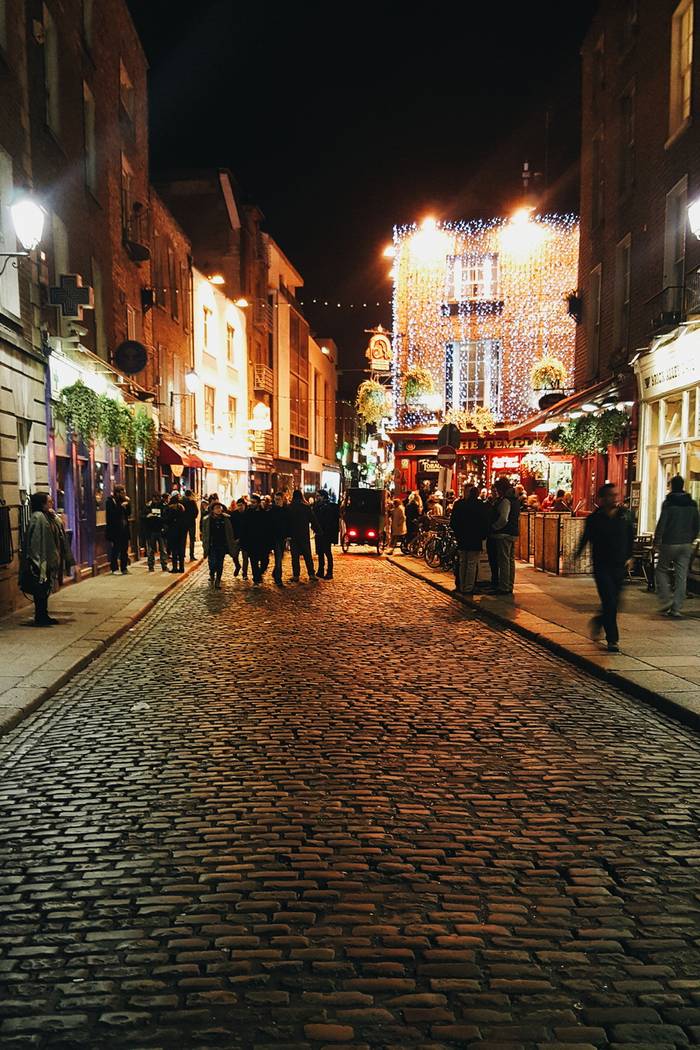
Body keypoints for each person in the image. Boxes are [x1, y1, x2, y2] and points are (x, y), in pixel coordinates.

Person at [577, 482, 634, 653]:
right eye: (610, 495)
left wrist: (630, 556)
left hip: (619, 565)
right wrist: (576, 554)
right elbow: (586, 537)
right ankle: (612, 639)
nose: (614, 498)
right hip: (602, 565)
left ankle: (598, 621)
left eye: (616, 495)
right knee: (609, 601)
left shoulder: (625, 515)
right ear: (602, 498)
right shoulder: (594, 518)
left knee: (616, 602)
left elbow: (630, 536)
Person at [22, 492, 74, 626]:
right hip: (41, 560)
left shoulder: (48, 516)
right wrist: (37, 562)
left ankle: (43, 615)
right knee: (40, 589)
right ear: (42, 504)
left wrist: (55, 517)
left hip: (48, 558)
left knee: (45, 589)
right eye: (49, 502)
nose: (52, 504)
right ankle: (40, 617)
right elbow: (35, 541)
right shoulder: (38, 517)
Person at [654, 474, 700, 618]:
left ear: (672, 486)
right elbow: (697, 524)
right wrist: (692, 538)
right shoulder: (692, 504)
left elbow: (663, 523)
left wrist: (657, 540)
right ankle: (676, 608)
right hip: (686, 543)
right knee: (681, 575)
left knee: (661, 570)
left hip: (669, 542)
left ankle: (666, 599)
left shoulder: (668, 503)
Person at [450, 484, 490, 595]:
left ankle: (462, 586)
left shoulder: (459, 504)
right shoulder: (480, 505)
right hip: (475, 538)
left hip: (462, 537)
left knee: (463, 562)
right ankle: (468, 587)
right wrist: (483, 536)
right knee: (471, 563)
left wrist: (458, 534)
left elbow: (453, 522)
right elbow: (484, 522)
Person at [490, 477, 520, 595]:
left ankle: (504, 586)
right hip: (513, 532)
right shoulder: (516, 499)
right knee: (510, 560)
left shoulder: (506, 501)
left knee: (504, 561)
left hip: (504, 534)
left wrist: (494, 527)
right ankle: (509, 585)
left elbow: (503, 519)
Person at [202, 500, 236, 588]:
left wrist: (231, 543)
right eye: (216, 508)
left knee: (220, 563)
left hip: (222, 545)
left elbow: (230, 532)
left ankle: (218, 581)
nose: (218, 510)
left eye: (220, 508)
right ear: (212, 510)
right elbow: (204, 532)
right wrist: (205, 542)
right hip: (212, 545)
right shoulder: (207, 519)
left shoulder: (226, 519)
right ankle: (212, 573)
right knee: (212, 563)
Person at [287, 489, 319, 582]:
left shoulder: (290, 507)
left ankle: (296, 575)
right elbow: (313, 519)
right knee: (307, 555)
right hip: (303, 534)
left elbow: (287, 523)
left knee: (295, 556)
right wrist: (318, 530)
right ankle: (311, 574)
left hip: (293, 535)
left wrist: (287, 534)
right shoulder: (306, 507)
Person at [243, 494, 273, 584]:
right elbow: (244, 528)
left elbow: (268, 528)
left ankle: (259, 574)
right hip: (251, 542)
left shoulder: (264, 513)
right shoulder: (247, 513)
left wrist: (269, 542)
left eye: (254, 502)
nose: (252, 504)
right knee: (254, 562)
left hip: (263, 542)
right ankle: (256, 579)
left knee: (265, 561)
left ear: (258, 503)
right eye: (251, 502)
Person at [105, 484, 131, 574]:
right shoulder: (110, 501)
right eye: (122, 492)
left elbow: (128, 513)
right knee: (115, 549)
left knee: (124, 549)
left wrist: (128, 504)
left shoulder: (123, 501)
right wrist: (121, 506)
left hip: (124, 529)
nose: (124, 494)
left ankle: (124, 568)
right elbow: (112, 515)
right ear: (117, 493)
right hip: (115, 530)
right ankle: (114, 568)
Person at [315, 489, 340, 578]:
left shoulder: (328, 507)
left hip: (326, 533)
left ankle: (329, 572)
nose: (316, 498)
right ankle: (320, 570)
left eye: (318, 496)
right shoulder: (317, 506)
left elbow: (328, 521)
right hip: (319, 533)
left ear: (323, 497)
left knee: (327, 552)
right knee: (320, 553)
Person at [141, 492, 168, 572]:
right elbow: (142, 516)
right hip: (151, 530)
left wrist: (161, 521)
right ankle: (151, 566)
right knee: (151, 549)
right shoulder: (148, 506)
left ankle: (164, 565)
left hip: (160, 530)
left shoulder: (163, 506)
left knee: (163, 549)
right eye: (155, 498)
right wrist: (147, 516)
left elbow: (166, 517)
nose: (156, 500)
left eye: (157, 498)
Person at [269, 491, 290, 586]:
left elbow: (288, 524)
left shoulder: (286, 510)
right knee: (278, 558)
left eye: (278, 499)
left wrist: (288, 535)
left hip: (282, 537)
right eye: (275, 499)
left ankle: (275, 573)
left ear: (283, 499)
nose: (277, 501)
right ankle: (278, 579)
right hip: (274, 537)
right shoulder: (272, 510)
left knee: (280, 557)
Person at [164, 493, 187, 573]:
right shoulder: (182, 508)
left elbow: (167, 520)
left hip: (173, 531)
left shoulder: (170, 509)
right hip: (182, 531)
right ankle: (181, 568)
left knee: (174, 550)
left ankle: (175, 568)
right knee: (181, 550)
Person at [229, 497, 250, 579]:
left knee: (245, 557)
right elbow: (231, 527)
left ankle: (244, 574)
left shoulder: (248, 514)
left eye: (241, 505)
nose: (240, 507)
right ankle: (237, 566)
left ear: (244, 505)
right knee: (234, 555)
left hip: (245, 539)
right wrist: (234, 538)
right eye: (238, 505)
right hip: (236, 539)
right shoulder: (234, 514)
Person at [182, 489, 199, 561]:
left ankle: (182, 554)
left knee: (183, 539)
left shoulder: (182, 502)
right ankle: (191, 555)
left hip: (183, 522)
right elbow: (196, 512)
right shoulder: (192, 502)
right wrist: (193, 517)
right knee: (192, 539)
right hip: (191, 522)